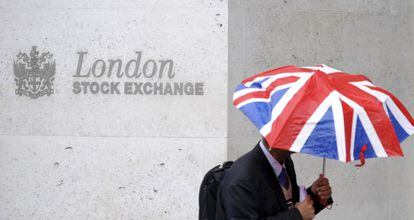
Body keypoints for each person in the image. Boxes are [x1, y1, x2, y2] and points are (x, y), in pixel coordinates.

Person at [215, 137, 333, 220]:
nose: (301, 136)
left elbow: (287, 204)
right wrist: (297, 216)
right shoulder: (242, 180)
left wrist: (315, 195)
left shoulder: (284, 161)